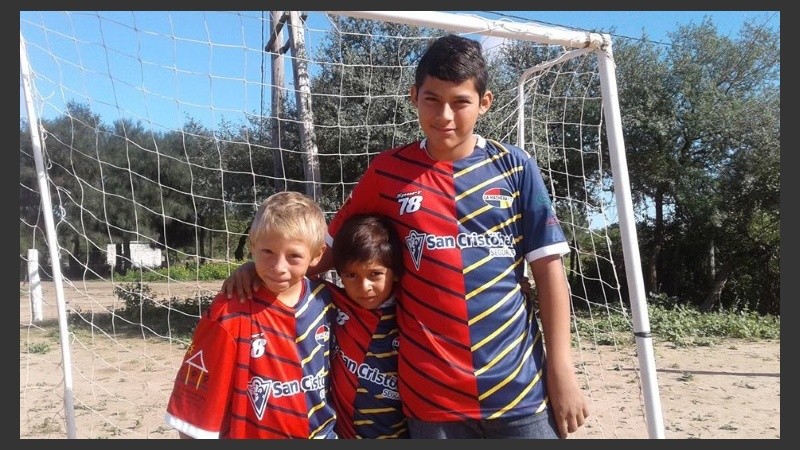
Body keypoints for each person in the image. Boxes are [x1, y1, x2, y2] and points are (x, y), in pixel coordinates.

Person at [222, 33, 589, 439]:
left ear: (485, 103)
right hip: (430, 397)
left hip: (520, 390)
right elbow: (326, 252)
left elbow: (549, 270)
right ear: (414, 96)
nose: (445, 115)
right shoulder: (387, 172)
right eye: (432, 99)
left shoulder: (516, 168)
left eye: (460, 101)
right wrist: (263, 267)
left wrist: (562, 371)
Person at [164, 191, 338, 439]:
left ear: (317, 255)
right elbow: (194, 414)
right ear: (252, 245)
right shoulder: (229, 312)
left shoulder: (328, 301)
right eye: (267, 251)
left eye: (294, 256)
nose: (279, 267)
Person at [327, 213, 408, 439]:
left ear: (395, 274)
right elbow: (291, 282)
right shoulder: (331, 300)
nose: (364, 287)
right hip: (341, 434)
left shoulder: (410, 315)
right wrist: (251, 270)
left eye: (375, 274)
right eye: (351, 275)